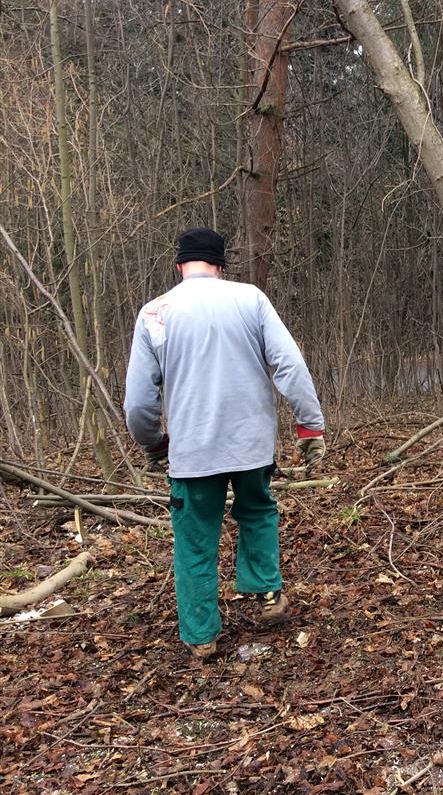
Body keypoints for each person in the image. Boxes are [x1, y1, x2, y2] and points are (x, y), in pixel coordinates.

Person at [124, 228, 326, 660]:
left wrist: (153, 443)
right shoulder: (250, 299)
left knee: (195, 538)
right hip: (251, 445)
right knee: (256, 510)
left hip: (192, 451)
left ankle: (201, 635)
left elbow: (138, 401)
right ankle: (267, 593)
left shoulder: (155, 314)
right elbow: (289, 364)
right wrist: (309, 426)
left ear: (179, 265)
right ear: (220, 265)